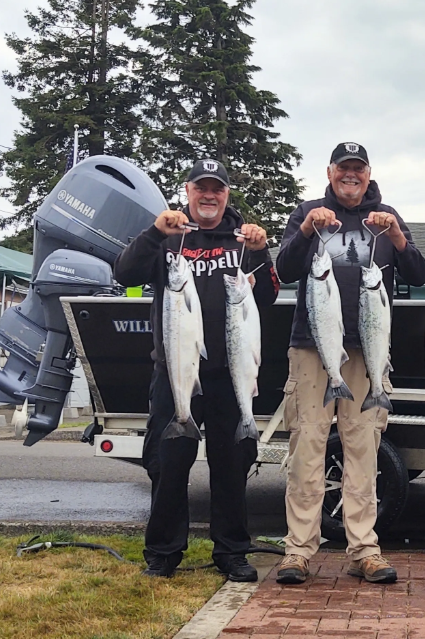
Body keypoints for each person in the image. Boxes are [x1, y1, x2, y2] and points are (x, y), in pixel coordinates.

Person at [114, 159, 279, 581]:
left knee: (232, 465)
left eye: (217, 188)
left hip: (230, 374)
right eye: (201, 188)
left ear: (226, 194)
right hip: (176, 372)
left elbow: (268, 297)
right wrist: (154, 232)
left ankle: (232, 551)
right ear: (187, 191)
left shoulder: (241, 240)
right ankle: (163, 553)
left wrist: (261, 251)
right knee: (168, 462)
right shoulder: (168, 238)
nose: (209, 195)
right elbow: (124, 274)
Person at [275, 142, 425, 585]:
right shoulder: (307, 213)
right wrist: (307, 229)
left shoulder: (387, 216)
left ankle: (364, 550)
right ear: (330, 172)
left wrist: (397, 236)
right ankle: (298, 550)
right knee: (307, 448)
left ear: (368, 173)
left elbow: (419, 276)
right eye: (343, 168)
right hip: (312, 348)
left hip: (367, 353)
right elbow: (285, 269)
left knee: (363, 450)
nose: (351, 175)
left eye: (358, 168)